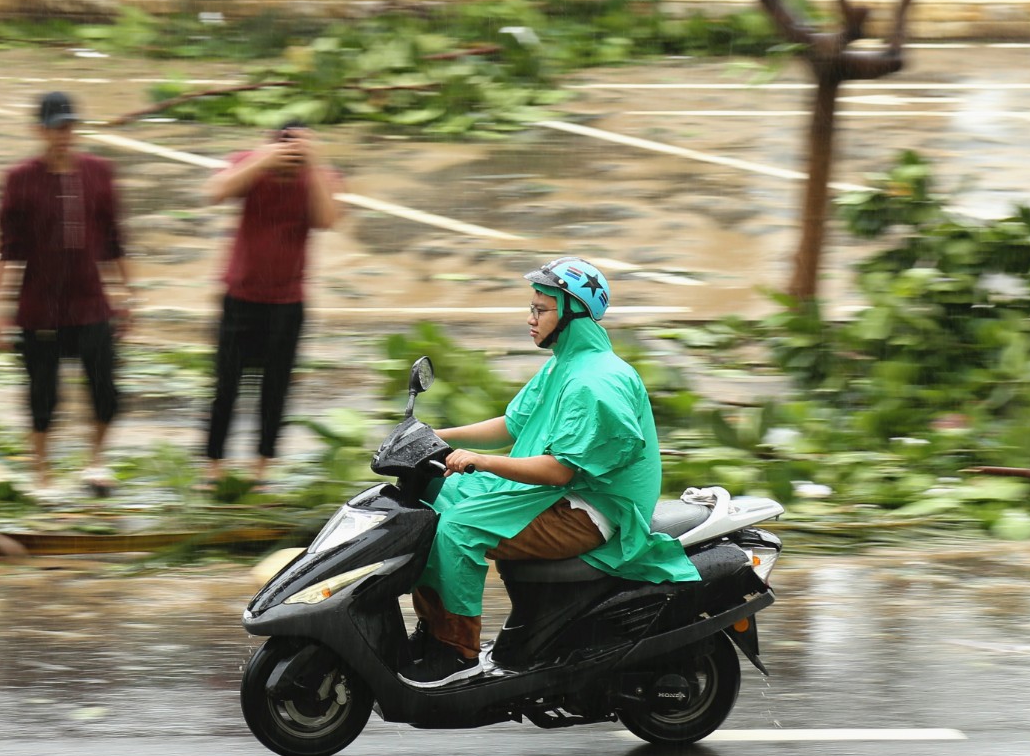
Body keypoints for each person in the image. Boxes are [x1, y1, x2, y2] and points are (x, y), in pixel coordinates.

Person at [404, 258, 699, 687]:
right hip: (555, 495)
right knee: (434, 499)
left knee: (458, 529)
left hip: (588, 508)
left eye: (541, 310)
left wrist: (480, 461)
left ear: (572, 313)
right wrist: (431, 437)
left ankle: (456, 652)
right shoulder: (565, 363)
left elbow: (560, 471)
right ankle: (432, 631)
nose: (531, 318)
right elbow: (511, 425)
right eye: (532, 308)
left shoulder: (595, 383)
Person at [0, 91, 132, 496]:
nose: (64, 135)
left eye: (70, 127)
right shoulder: (20, 179)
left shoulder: (99, 173)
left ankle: (96, 463)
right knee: (42, 395)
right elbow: (7, 249)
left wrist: (128, 295)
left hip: (91, 303)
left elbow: (114, 240)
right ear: (39, 131)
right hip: (40, 308)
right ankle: (41, 472)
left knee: (106, 392)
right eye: (56, 128)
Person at [202, 122, 341, 490]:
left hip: (287, 302)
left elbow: (327, 220)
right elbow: (215, 191)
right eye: (286, 147)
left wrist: (311, 166)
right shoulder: (250, 165)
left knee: (275, 388)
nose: (291, 157)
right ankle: (213, 467)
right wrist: (264, 158)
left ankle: (261, 469)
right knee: (226, 384)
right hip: (240, 297)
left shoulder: (318, 177)